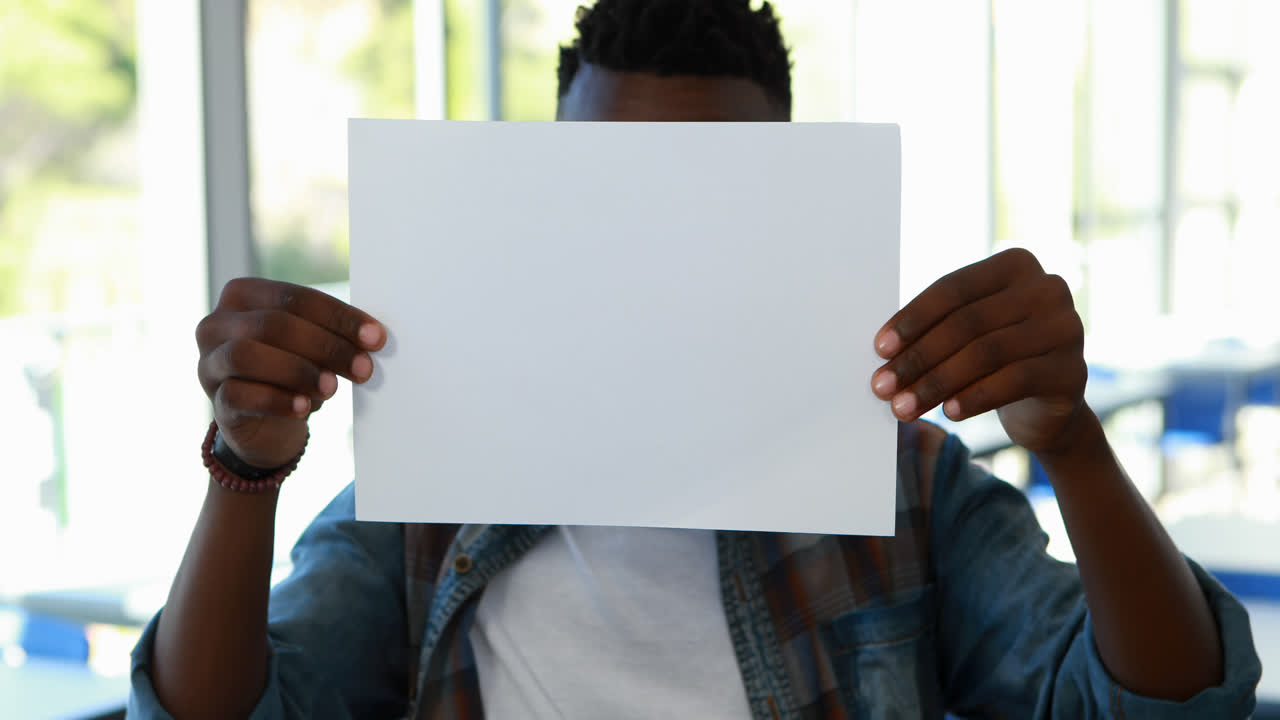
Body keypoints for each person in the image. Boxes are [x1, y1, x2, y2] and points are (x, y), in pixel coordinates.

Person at [129, 1, 1261, 717]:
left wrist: (1071, 442)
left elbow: (1158, 700)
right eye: (609, 196)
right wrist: (245, 468)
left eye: (710, 198)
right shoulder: (430, 488)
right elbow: (217, 709)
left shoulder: (903, 486)